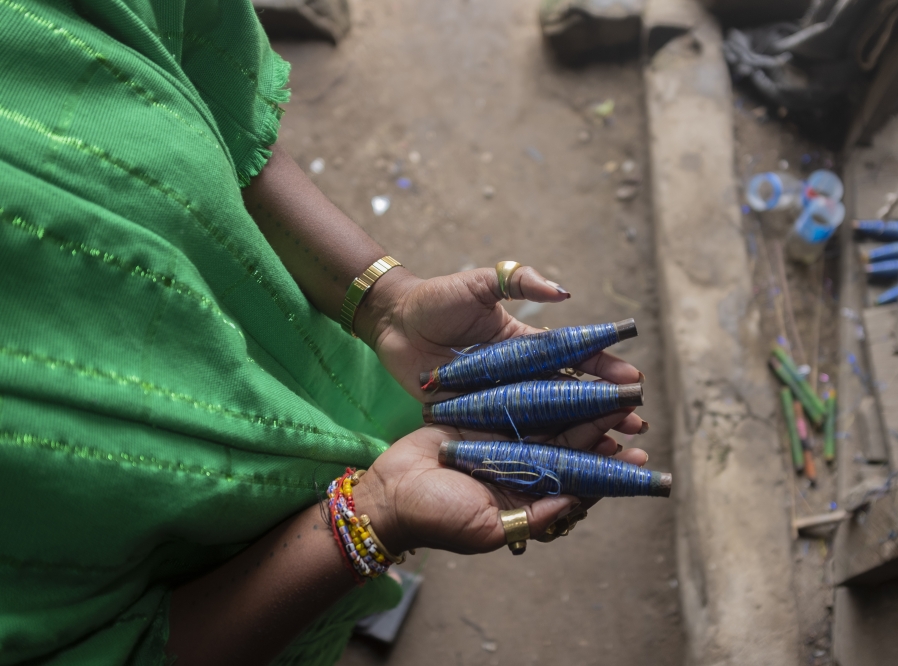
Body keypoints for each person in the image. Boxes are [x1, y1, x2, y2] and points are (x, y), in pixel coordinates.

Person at [0, 2, 647, 664]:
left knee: (384, 434)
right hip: (209, 604)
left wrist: (388, 306)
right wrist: (373, 516)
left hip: (322, 360)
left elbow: (204, 81)